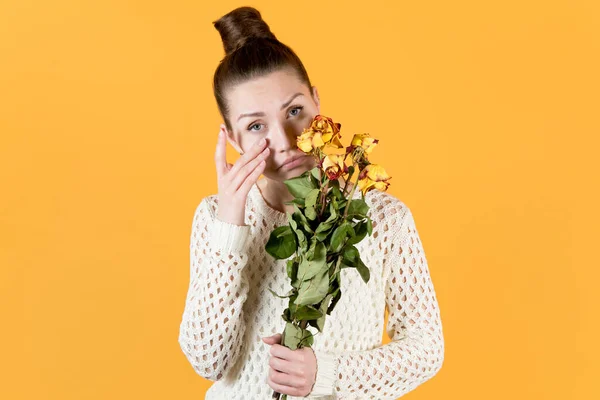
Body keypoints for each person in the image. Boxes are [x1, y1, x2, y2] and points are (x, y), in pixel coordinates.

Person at [178, 6, 445, 400]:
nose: (285, 141)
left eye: (294, 111)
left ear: (317, 102)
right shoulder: (214, 220)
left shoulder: (384, 218)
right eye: (255, 126)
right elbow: (209, 360)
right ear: (232, 140)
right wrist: (230, 226)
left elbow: (426, 348)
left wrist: (328, 373)